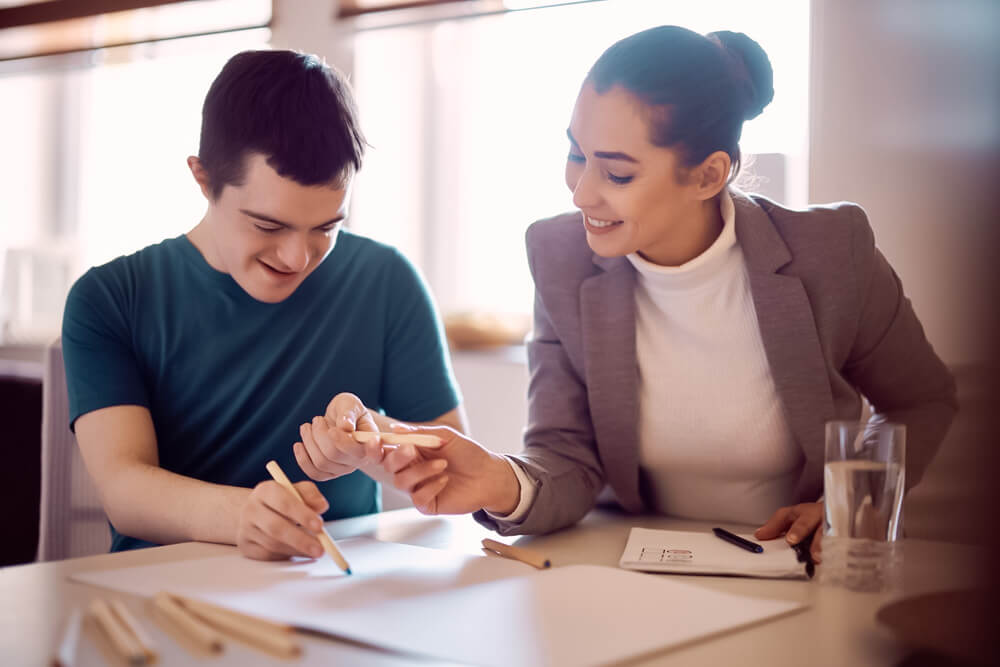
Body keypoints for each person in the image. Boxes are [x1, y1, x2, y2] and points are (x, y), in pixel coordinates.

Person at [351, 25, 958, 561]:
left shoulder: (831, 252)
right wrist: (500, 481)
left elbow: (920, 399)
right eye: (574, 153)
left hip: (793, 571)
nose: (582, 193)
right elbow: (567, 456)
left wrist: (846, 504)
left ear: (709, 175)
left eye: (616, 172)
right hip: (631, 571)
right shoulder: (559, 257)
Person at [62, 50, 466, 561]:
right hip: (166, 590)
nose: (297, 258)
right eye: (268, 226)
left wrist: (379, 448)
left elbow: (451, 458)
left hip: (336, 589)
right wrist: (241, 516)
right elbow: (124, 490)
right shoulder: (111, 299)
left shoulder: (386, 280)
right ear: (203, 179)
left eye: (326, 228)